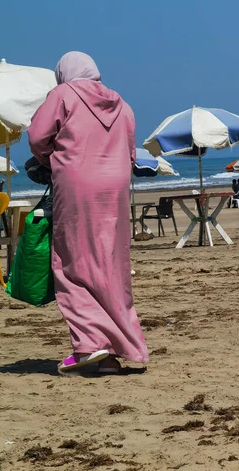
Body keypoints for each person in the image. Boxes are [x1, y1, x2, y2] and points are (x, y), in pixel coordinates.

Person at [28, 51, 148, 374]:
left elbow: (37, 137)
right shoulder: (122, 104)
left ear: (64, 73)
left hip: (77, 182)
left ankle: (89, 344)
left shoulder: (63, 95)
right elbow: (131, 151)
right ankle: (112, 350)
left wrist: (47, 159)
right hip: (116, 187)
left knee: (71, 263)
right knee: (110, 263)